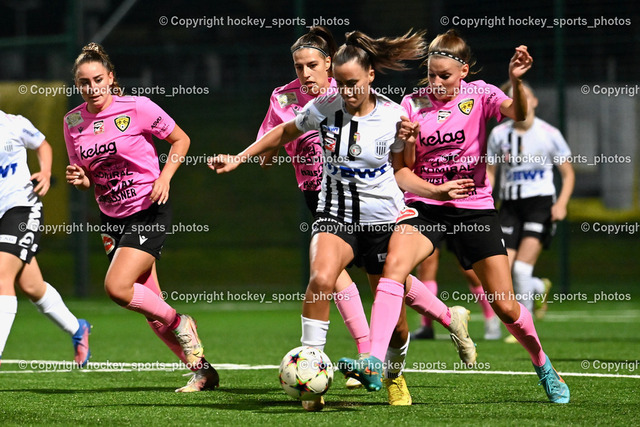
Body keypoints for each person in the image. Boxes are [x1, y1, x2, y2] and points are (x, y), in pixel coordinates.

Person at [210, 30, 477, 409]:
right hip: (333, 215)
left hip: (382, 222)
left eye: (353, 83)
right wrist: (239, 157)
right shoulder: (325, 106)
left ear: (370, 77)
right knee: (321, 276)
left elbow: (405, 169)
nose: (347, 92)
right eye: (343, 83)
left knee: (398, 326)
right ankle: (309, 373)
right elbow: (285, 130)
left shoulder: (393, 116)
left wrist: (422, 162)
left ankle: (394, 375)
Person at [339, 29, 570, 404]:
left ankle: (543, 364)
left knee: (506, 305)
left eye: (444, 75)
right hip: (425, 206)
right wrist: (416, 154)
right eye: (431, 74)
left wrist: (515, 80)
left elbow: (519, 112)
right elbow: (401, 171)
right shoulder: (411, 104)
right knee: (392, 268)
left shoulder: (481, 94)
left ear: (463, 71)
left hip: (474, 207)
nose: (436, 82)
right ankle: (373, 360)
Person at [63, 42, 217, 392]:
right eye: (84, 82)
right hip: (111, 219)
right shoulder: (72, 121)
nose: (92, 88)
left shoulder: (138, 107)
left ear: (111, 78)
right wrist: (82, 180)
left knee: (117, 288)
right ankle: (202, 372)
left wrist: (164, 177)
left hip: (148, 209)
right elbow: (85, 175)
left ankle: (181, 322)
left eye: (98, 79)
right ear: (78, 85)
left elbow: (181, 140)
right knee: (150, 306)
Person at [256, 27, 371, 392]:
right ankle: (364, 353)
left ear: (328, 64)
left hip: (357, 193)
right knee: (331, 276)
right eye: (298, 66)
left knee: (383, 271)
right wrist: (264, 152)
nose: (304, 73)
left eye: (311, 65)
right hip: (315, 194)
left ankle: (447, 316)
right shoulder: (283, 97)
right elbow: (271, 138)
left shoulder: (345, 92)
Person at [0, 111, 91, 368]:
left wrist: (45, 171)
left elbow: (42, 144)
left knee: (1, 276)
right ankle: (77, 328)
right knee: (31, 286)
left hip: (21, 207)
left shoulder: (13, 124)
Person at [487, 81, 575, 327]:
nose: (520, 101)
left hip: (540, 205)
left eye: (524, 96)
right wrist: (485, 199)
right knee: (503, 268)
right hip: (510, 207)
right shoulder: (498, 134)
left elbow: (568, 174)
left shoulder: (549, 134)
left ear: (534, 101)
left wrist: (562, 204)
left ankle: (523, 326)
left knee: (521, 271)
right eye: (513, 98)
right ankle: (537, 287)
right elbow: (491, 172)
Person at [411, 244, 501, 341]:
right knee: (426, 264)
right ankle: (426, 326)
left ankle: (491, 320)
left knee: (469, 270)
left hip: (458, 228)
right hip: (434, 227)